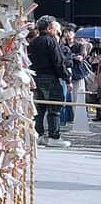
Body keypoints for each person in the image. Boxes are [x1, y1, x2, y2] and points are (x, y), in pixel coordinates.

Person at [28, 16, 71, 146]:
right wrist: (66, 77)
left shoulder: (33, 42)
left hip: (35, 77)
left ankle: (39, 134)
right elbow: (58, 62)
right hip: (50, 78)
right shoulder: (51, 42)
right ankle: (54, 136)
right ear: (48, 28)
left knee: (39, 109)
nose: (57, 31)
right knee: (54, 107)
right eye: (54, 28)